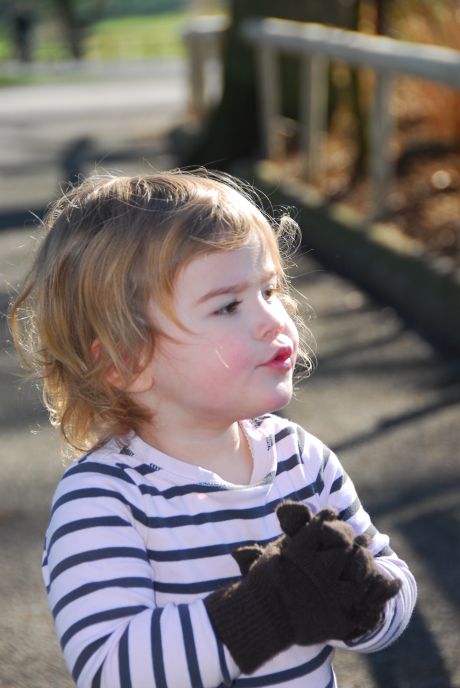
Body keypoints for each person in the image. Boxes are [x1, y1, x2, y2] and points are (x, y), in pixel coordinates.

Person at [10, 171, 416, 688]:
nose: (274, 320)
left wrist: (358, 598)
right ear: (126, 360)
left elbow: (394, 581)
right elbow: (111, 670)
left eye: (269, 289)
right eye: (228, 306)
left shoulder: (301, 459)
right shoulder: (104, 499)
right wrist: (267, 607)